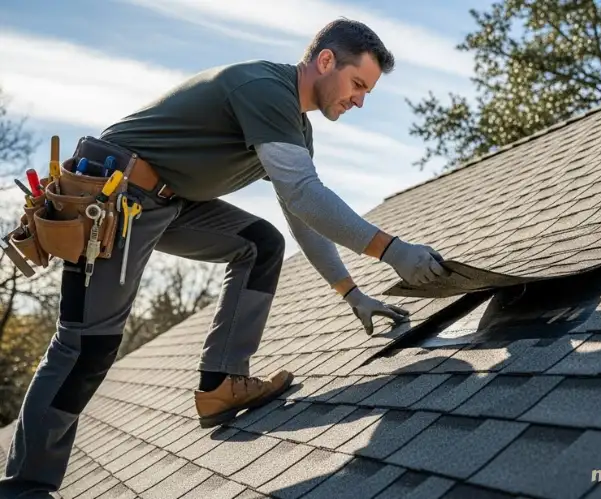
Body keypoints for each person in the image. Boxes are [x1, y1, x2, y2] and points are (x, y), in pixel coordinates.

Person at [0, 17, 448, 498]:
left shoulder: (293, 123)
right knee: (85, 346)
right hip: (117, 194)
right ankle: (24, 485)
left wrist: (352, 292)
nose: (359, 99)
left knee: (260, 244)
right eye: (357, 83)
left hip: (169, 201)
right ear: (324, 61)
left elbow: (301, 214)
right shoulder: (264, 87)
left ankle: (221, 384)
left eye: (367, 92)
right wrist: (393, 251)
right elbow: (303, 193)